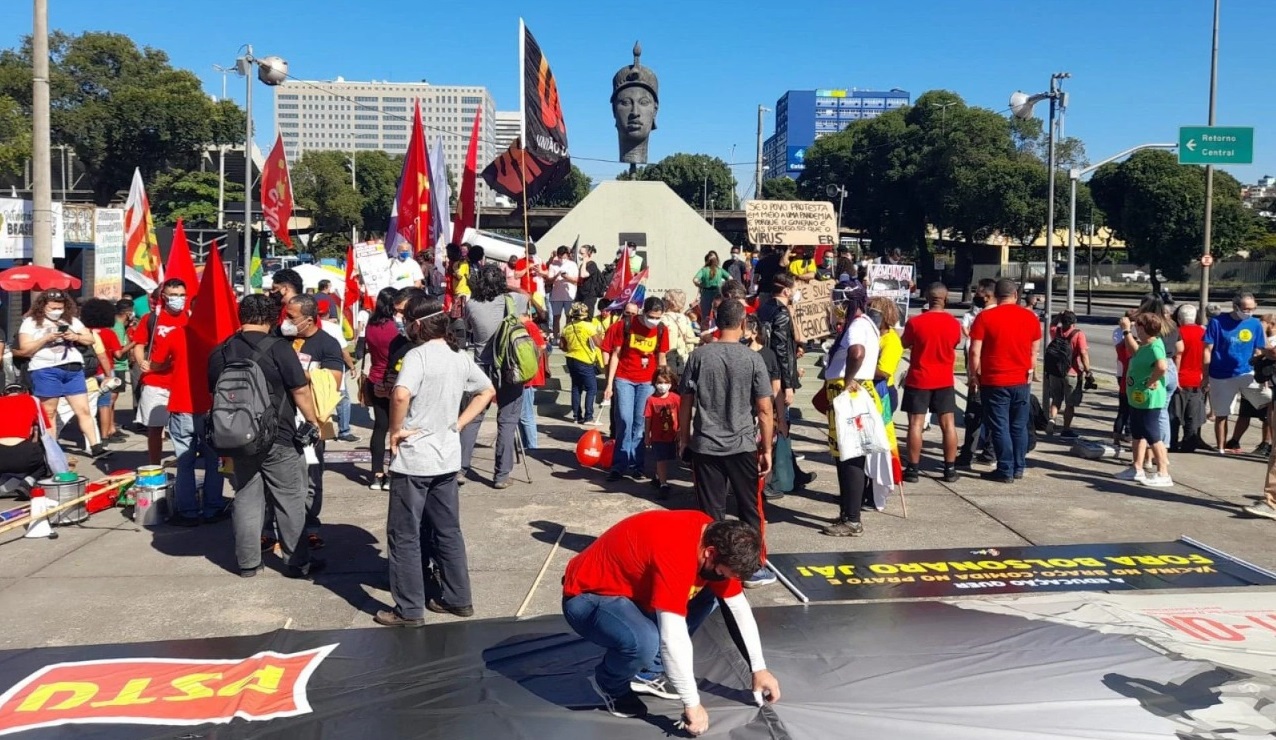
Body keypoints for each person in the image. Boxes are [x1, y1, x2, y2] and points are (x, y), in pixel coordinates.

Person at [561, 511, 781, 733]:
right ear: (710, 553)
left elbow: (738, 608)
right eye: (723, 572)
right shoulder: (676, 552)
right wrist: (692, 704)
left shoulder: (718, 540)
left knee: (712, 595)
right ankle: (609, 683)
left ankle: (647, 673)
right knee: (644, 641)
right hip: (586, 598)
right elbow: (673, 637)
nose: (723, 577)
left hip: (633, 593)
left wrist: (759, 668)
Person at [374, 296, 495, 626]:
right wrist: (459, 424)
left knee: (404, 534)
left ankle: (409, 608)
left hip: (415, 457)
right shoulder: (458, 356)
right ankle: (459, 598)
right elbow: (486, 391)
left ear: (417, 325)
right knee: (448, 530)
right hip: (446, 456)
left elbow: (401, 394)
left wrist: (395, 430)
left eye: (406, 321)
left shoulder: (418, 356)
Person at [209, 294, 323, 579]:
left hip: (238, 438)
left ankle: (248, 563)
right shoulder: (279, 348)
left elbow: (213, 392)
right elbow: (299, 389)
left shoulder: (222, 350)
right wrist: (313, 421)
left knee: (246, 496)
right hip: (279, 436)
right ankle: (297, 562)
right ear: (272, 318)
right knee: (289, 499)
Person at [679, 298, 775, 591]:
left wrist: (683, 439)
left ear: (715, 322)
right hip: (742, 445)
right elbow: (765, 409)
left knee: (710, 513)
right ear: (743, 323)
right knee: (749, 509)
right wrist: (767, 449)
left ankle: (712, 567)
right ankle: (752, 567)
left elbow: (686, 402)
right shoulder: (753, 359)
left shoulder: (699, 356)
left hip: (706, 445)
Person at [461, 264, 531, 489]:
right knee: (508, 421)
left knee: (473, 417)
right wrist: (510, 286)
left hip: (481, 367)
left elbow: (469, 328)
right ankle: (501, 475)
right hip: (509, 365)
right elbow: (527, 295)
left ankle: (460, 468)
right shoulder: (513, 300)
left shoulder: (471, 304)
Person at [282, 295, 345, 547]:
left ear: (309, 320)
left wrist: (301, 374)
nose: (286, 321)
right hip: (282, 419)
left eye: (291, 317)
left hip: (312, 422)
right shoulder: (280, 339)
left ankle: (310, 528)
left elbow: (335, 379)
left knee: (311, 478)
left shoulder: (327, 343)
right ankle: (274, 529)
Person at [968, 278, 1041, 483]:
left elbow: (974, 351)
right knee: (1018, 426)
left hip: (994, 379)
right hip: (1021, 379)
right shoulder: (1030, 317)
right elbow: (1034, 352)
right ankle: (1019, 466)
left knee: (1000, 426)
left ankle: (1005, 468)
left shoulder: (985, 317)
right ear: (1016, 295)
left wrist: (974, 375)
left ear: (995, 296)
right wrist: (1030, 372)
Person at [15, 291, 104, 458]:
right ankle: (52, 449)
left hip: (73, 368)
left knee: (83, 409)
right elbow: (25, 349)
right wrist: (46, 338)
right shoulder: (30, 322)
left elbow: (90, 339)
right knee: (50, 412)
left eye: (60, 308)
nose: (57, 311)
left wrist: (75, 336)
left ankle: (96, 446)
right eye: (53, 308)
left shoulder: (71, 320)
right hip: (45, 368)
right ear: (43, 306)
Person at [820, 282, 877, 537]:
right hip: (849, 393)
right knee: (844, 455)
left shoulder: (857, 326)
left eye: (839, 301)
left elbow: (857, 352)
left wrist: (847, 380)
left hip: (850, 393)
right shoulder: (861, 324)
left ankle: (852, 520)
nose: (836, 306)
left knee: (851, 456)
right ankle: (848, 512)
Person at [601, 296, 669, 482]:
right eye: (651, 316)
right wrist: (609, 383)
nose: (654, 320)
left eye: (658, 317)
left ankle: (637, 465)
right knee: (624, 419)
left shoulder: (661, 330)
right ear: (643, 312)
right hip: (624, 378)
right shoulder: (625, 325)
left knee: (640, 424)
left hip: (647, 381)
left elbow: (661, 356)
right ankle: (619, 464)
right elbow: (615, 354)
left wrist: (663, 382)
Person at [901, 283, 961, 483]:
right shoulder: (953, 323)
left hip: (919, 377)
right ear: (946, 298)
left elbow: (904, 343)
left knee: (915, 424)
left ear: (927, 297)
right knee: (948, 424)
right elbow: (954, 343)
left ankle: (912, 469)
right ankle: (950, 469)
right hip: (944, 379)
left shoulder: (915, 322)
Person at [1204, 293, 1269, 454]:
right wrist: (1205, 376)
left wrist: (1264, 375)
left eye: (1253, 309)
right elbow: (1207, 350)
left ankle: (1268, 444)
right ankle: (1221, 448)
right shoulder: (1217, 322)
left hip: (1247, 373)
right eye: (1246, 309)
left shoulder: (1255, 324)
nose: (1249, 312)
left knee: (1269, 403)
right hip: (1221, 375)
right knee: (1222, 413)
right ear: (1236, 307)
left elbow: (1260, 349)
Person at [1116, 312, 1173, 487]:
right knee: (1137, 432)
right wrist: (1126, 331)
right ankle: (1137, 468)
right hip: (1137, 396)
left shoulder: (1155, 346)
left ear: (1143, 329)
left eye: (1137, 327)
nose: (1135, 329)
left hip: (1150, 398)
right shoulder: (1145, 345)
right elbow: (1133, 351)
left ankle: (1163, 472)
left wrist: (1151, 381)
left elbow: (1162, 366)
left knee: (1152, 433)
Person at [361, 287, 403, 490]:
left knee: (380, 427)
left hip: (375, 378)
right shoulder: (395, 328)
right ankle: (394, 471)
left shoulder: (371, 325)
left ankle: (376, 474)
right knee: (398, 428)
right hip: (394, 380)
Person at [81, 299, 130, 444]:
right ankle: (105, 435)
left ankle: (91, 436)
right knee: (105, 405)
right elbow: (117, 354)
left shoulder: (84, 333)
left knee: (88, 407)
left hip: (88, 372)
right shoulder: (109, 333)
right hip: (105, 371)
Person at [1043, 310, 1093, 438]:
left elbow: (1052, 325)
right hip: (1072, 373)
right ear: (1074, 322)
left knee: (1056, 399)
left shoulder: (1056, 332)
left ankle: (1052, 419)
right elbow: (1083, 354)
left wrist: (1058, 316)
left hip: (1055, 372)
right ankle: (1066, 429)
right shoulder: (1078, 334)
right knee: (1070, 404)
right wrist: (1088, 371)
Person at [757, 273, 799, 416]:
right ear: (786, 291)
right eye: (795, 289)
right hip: (777, 375)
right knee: (780, 417)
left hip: (765, 366)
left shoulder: (764, 307)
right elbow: (781, 349)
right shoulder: (781, 312)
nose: (796, 292)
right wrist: (788, 385)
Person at [1171, 303, 1208, 453]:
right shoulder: (1204, 333)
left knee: (1174, 415)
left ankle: (1172, 443)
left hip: (1180, 378)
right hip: (1197, 379)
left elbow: (1176, 356)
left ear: (1180, 319)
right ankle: (1189, 443)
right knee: (1192, 416)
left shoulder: (1177, 333)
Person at [560, 302, 601, 426]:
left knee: (576, 387)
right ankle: (588, 417)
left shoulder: (566, 327)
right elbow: (599, 343)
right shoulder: (588, 326)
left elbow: (562, 346)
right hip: (584, 360)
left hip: (570, 359)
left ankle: (577, 416)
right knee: (591, 388)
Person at [644, 367, 680, 499]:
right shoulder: (651, 400)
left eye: (666, 382)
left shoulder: (676, 398)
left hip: (673, 435)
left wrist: (681, 431)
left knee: (669, 457)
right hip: (658, 437)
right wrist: (647, 435)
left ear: (671, 383)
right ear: (655, 382)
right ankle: (663, 484)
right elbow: (648, 418)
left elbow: (682, 415)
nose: (663, 385)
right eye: (660, 382)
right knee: (661, 459)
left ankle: (657, 476)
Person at [518, 308, 548, 451]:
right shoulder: (526, 325)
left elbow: (541, 346)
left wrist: (528, 362)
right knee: (522, 414)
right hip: (526, 376)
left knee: (526, 414)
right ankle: (526, 445)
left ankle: (531, 446)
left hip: (528, 377)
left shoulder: (529, 326)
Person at [869, 297, 903, 415]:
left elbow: (884, 372)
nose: (868, 316)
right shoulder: (872, 334)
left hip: (882, 392)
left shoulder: (891, 341)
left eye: (873, 313)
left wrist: (856, 367)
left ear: (885, 317)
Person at [660, 289, 699, 377]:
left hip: (667, 357)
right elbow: (691, 339)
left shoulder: (663, 319)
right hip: (683, 359)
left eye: (664, 299)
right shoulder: (686, 319)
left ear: (671, 302)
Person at [546, 245, 579, 338]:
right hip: (556, 296)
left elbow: (576, 280)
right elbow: (549, 281)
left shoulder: (573, 264)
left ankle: (566, 337)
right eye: (560, 257)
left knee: (569, 316)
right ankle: (555, 337)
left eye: (563, 257)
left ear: (567, 255)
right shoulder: (553, 265)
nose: (562, 259)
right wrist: (556, 276)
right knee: (556, 317)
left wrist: (566, 277)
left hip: (570, 295)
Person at [692, 251, 726, 324]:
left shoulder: (703, 270)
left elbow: (695, 280)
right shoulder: (720, 270)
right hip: (717, 293)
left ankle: (705, 328)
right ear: (717, 260)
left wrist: (700, 285)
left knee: (705, 315)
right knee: (718, 313)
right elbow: (730, 278)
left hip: (706, 293)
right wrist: (723, 285)